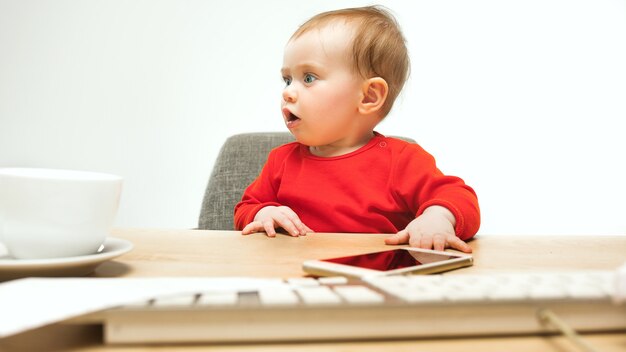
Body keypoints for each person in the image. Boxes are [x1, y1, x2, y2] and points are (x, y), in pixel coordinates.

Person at [234, 5, 480, 253]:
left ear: (369, 97)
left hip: (374, 282)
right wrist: (263, 212)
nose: (287, 91)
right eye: (287, 79)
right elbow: (245, 208)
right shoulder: (281, 161)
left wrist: (437, 218)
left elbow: (461, 198)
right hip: (295, 280)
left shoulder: (402, 161)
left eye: (308, 78)